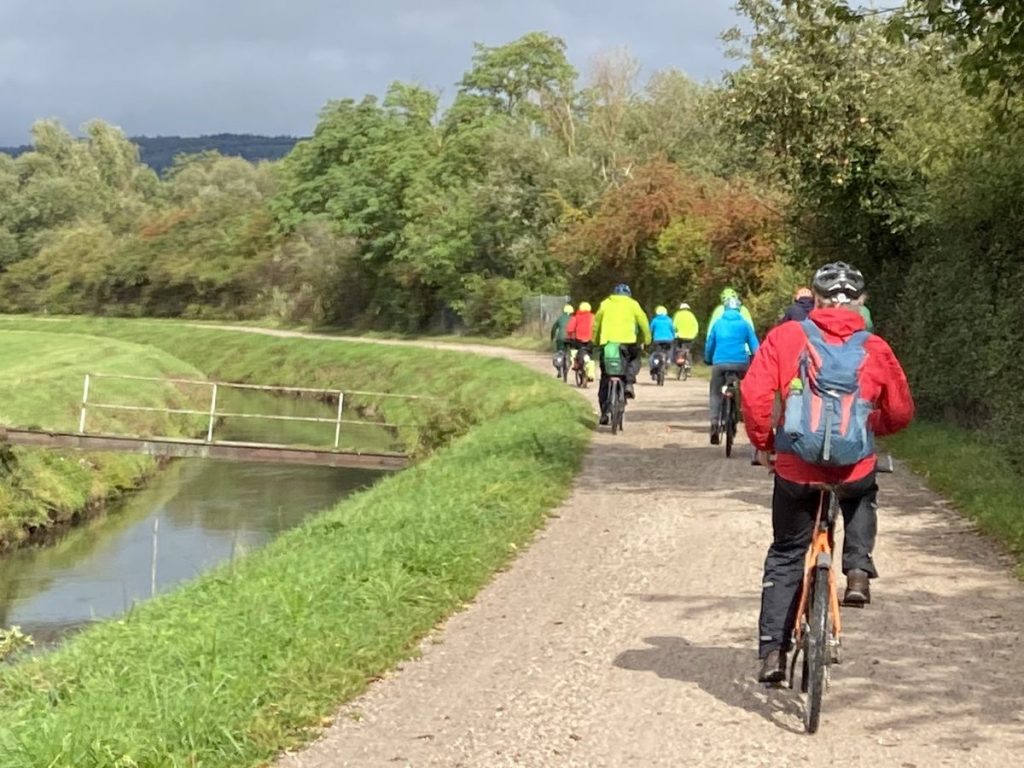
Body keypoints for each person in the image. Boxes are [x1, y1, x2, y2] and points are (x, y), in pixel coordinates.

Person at [742, 262, 914, 684]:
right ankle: (857, 570)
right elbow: (901, 411)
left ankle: (773, 654)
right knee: (861, 491)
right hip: (851, 466)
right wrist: (873, 428)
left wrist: (765, 445)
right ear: (860, 303)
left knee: (786, 553)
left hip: (797, 469)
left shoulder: (786, 336)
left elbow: (754, 395)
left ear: (813, 300)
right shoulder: (875, 346)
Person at [593, 283, 651, 424]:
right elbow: (643, 322)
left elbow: (596, 324)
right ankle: (629, 383)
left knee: (606, 376)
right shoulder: (633, 304)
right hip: (628, 342)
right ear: (628, 294)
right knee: (634, 358)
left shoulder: (605, 304)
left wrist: (595, 340)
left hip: (608, 344)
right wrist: (646, 340)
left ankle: (604, 414)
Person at [704, 296, 759, 444]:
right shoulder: (744, 324)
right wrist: (758, 361)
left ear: (725, 309)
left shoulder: (718, 324)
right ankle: (743, 414)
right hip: (741, 363)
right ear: (739, 309)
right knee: (747, 389)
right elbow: (755, 346)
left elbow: (710, 344)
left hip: (720, 363)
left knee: (715, 391)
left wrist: (708, 358)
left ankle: (715, 424)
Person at [567, 301, 597, 381]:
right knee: (590, 356)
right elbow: (596, 328)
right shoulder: (593, 317)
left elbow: (570, 329)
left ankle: (575, 364)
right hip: (590, 341)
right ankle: (591, 373)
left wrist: (570, 336)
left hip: (579, 340)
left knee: (575, 351)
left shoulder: (576, 317)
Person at [648, 305, 676, 379]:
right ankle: (668, 360)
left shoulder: (655, 320)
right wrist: (674, 336)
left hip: (657, 340)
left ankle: (654, 365)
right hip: (668, 340)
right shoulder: (669, 320)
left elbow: (650, 330)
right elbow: (673, 330)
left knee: (655, 354)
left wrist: (648, 338)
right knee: (668, 350)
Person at [672, 302, 700, 368]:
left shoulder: (678, 315)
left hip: (680, 336)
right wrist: (695, 334)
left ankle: (680, 363)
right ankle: (688, 364)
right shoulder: (692, 315)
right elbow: (696, 326)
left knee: (679, 349)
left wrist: (674, 334)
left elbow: (673, 326)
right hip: (691, 336)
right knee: (688, 350)